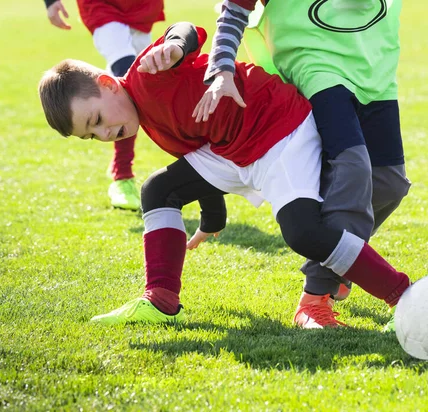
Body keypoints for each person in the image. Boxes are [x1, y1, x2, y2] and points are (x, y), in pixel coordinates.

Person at [38, 22, 415, 327]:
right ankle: (161, 299)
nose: (104, 134)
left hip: (280, 131)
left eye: (97, 120)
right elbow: (199, 155)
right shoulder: (146, 119)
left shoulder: (147, 73)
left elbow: (189, 30)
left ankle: (403, 295)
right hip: (234, 150)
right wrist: (213, 217)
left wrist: (173, 46)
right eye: (92, 135)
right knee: (158, 190)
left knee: (304, 233)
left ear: (107, 84)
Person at [196, 0, 411, 329]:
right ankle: (314, 300)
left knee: (389, 184)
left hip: (375, 67)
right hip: (313, 62)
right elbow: (235, 9)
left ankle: (341, 264)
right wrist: (222, 69)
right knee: (352, 169)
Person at [44, 0, 165, 211]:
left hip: (141, 6)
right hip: (101, 5)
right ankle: (123, 175)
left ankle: (121, 173)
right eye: (91, 136)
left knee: (120, 85)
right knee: (126, 70)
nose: (103, 135)